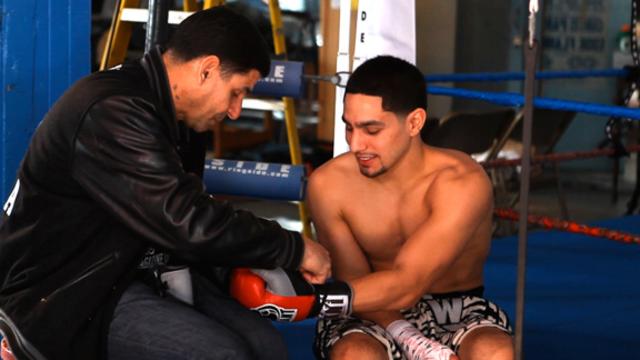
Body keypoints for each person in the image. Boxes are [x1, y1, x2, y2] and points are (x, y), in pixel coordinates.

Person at [0, 6, 330, 360]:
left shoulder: (178, 116)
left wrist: (238, 263)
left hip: (137, 269)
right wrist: (292, 247)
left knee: (268, 347)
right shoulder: (114, 110)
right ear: (207, 69)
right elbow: (186, 221)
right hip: (64, 290)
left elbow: (185, 219)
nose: (236, 111)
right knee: (223, 355)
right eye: (236, 92)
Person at [304, 56, 513, 359]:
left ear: (414, 122)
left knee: (494, 351)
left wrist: (305, 300)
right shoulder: (329, 184)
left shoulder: (461, 181)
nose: (356, 145)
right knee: (355, 354)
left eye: (371, 130)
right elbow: (357, 285)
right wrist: (413, 340)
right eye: (349, 128)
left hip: (456, 306)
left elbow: (409, 282)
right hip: (369, 309)